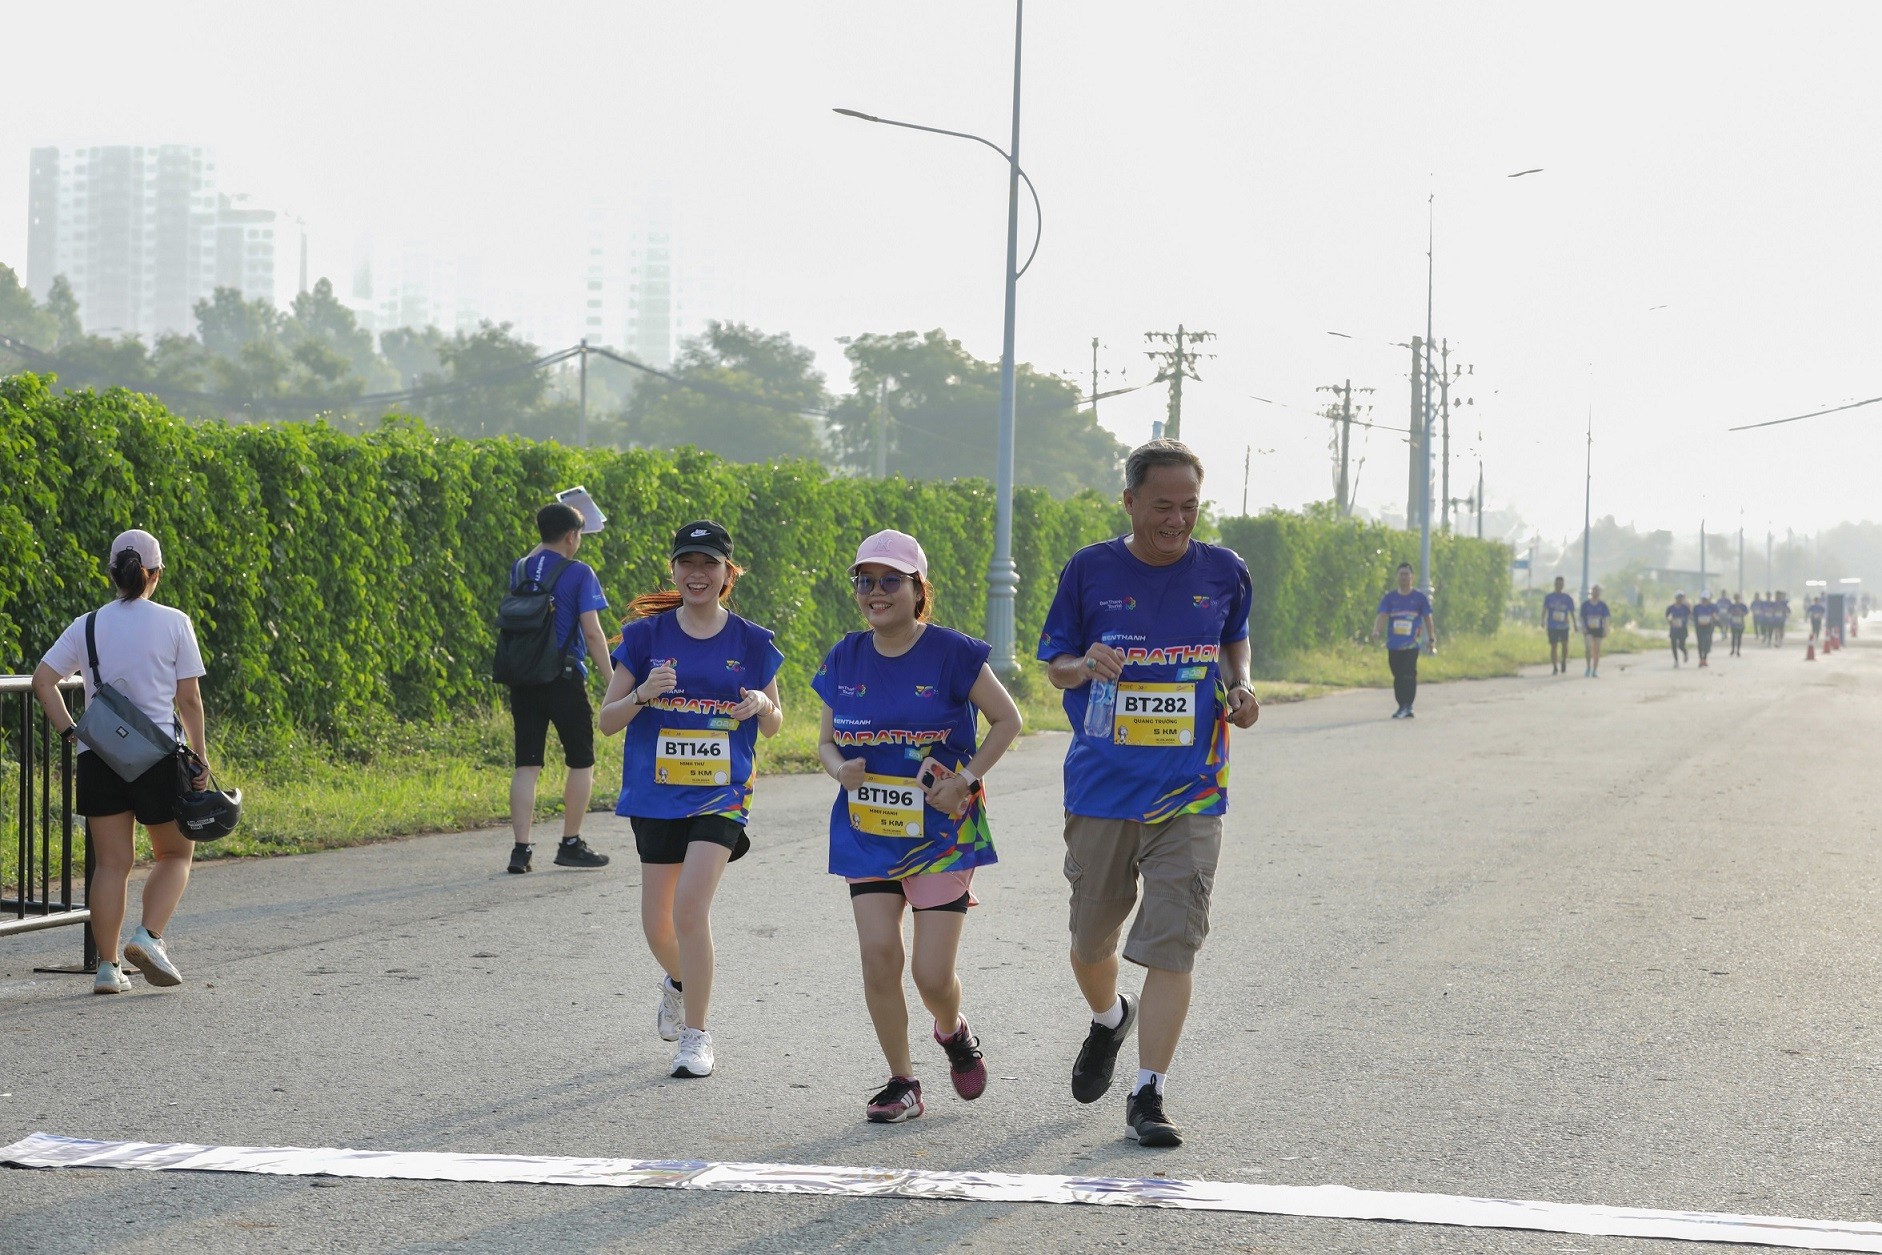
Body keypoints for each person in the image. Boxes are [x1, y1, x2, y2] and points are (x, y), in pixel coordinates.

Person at [1038, 439, 1259, 1150]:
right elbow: (1055, 667)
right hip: (1103, 788)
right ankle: (1109, 1016)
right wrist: (1083, 663)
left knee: (1174, 942)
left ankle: (1148, 1091)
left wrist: (1243, 685)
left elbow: (1234, 641)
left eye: (1189, 507)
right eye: (1162, 505)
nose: (1176, 520)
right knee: (1088, 940)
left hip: (1192, 789)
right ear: (1130, 501)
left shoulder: (1224, 570)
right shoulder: (1090, 569)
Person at [814, 530, 1023, 1124]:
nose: (875, 593)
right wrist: (840, 769)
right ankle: (902, 1081)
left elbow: (1007, 720)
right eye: (865, 581)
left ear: (917, 589)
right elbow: (825, 742)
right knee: (880, 955)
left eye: (889, 581)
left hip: (941, 835)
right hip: (869, 832)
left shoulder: (954, 653)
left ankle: (953, 1031)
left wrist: (970, 777)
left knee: (932, 975)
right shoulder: (844, 656)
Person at [599, 520, 784, 1080]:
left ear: (729, 573)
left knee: (689, 911)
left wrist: (759, 703)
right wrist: (641, 693)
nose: (697, 574)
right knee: (657, 926)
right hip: (655, 795)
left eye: (710, 564)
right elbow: (607, 721)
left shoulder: (752, 641)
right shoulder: (645, 637)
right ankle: (679, 983)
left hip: (721, 793)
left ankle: (696, 1035)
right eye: (688, 563)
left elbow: (775, 723)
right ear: (674, 570)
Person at [31, 530, 210, 995]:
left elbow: (43, 681)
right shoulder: (174, 622)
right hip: (155, 758)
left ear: (112, 572)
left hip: (100, 756)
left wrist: (73, 732)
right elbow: (188, 701)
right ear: (156, 574)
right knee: (174, 854)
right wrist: (201, 757)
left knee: (111, 865)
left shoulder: (87, 625)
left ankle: (109, 969)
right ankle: (148, 937)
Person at [504, 502, 613, 874]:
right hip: (564, 678)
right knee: (581, 760)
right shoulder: (579, 572)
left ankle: (521, 851)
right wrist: (614, 682)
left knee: (527, 764)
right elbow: (593, 634)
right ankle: (570, 842)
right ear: (572, 536)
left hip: (523, 678)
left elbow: (537, 558)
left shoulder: (519, 568)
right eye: (579, 534)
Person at [1371, 562, 1438, 717]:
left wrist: (1431, 639)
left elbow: (1428, 619)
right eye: (1401, 574)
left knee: (1408, 674)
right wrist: (1376, 631)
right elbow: (1382, 616)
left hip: (1412, 644)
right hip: (1394, 645)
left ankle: (1407, 705)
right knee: (1397, 675)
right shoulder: (1390, 598)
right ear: (1397, 577)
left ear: (1412, 577)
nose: (1404, 577)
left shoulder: (1419, 598)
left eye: (1406, 574)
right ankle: (1402, 705)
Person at [1542, 576, 1577, 675]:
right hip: (1552, 625)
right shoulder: (1549, 597)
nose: (1559, 586)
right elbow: (1545, 609)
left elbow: (1571, 611)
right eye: (1557, 584)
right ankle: (1555, 667)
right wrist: (1543, 620)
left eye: (1561, 584)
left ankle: (1563, 661)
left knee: (1565, 644)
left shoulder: (1567, 598)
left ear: (1563, 585)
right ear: (1555, 584)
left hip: (1564, 626)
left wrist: (1575, 624)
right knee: (1554, 646)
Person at [1579, 584, 1611, 677]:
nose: (1596, 593)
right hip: (1588, 629)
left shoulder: (1603, 605)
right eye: (1594, 591)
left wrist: (1606, 629)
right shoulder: (1585, 605)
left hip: (1598, 628)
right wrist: (1583, 628)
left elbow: (1605, 618)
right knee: (1588, 648)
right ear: (1591, 592)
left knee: (1596, 650)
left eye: (1598, 591)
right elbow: (1581, 617)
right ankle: (1588, 667)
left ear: (1600, 593)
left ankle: (1595, 669)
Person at [1692, 591, 1719, 668]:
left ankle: (1705, 658)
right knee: (1700, 642)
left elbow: (1716, 615)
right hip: (1699, 627)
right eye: (1703, 599)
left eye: (1706, 599)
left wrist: (1714, 617)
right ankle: (1701, 659)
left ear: (1709, 599)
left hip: (1709, 627)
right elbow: (1693, 616)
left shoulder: (1713, 606)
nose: (1704, 600)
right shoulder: (1697, 607)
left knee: (1707, 641)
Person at [1665, 592, 1691, 666]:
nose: (1679, 599)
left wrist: (1685, 620)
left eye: (1681, 598)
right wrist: (1669, 621)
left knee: (1681, 645)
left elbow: (1690, 614)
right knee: (1673, 645)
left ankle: (1685, 652)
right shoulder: (1671, 607)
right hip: (1674, 628)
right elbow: (1667, 615)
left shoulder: (1685, 607)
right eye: (1678, 597)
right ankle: (1676, 660)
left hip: (1682, 629)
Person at [1728, 592, 1749, 657]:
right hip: (1733, 623)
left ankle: (1738, 651)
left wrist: (1741, 613)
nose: (1737, 599)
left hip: (1740, 624)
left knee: (1739, 638)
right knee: (1733, 637)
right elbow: (1729, 612)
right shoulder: (1732, 606)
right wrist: (1734, 612)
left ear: (1739, 598)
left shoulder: (1743, 606)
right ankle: (1733, 650)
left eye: (1738, 598)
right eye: (1735, 598)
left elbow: (1746, 612)